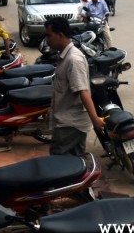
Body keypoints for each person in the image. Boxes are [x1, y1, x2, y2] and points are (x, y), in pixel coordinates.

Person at [44, 17, 105, 156]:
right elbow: (62, 90)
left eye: (49, 36)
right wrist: (51, 110)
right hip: (67, 119)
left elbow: (83, 91)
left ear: (60, 35)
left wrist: (95, 119)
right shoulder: (64, 56)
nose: (47, 40)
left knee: (57, 162)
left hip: (70, 124)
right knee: (75, 163)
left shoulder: (73, 59)